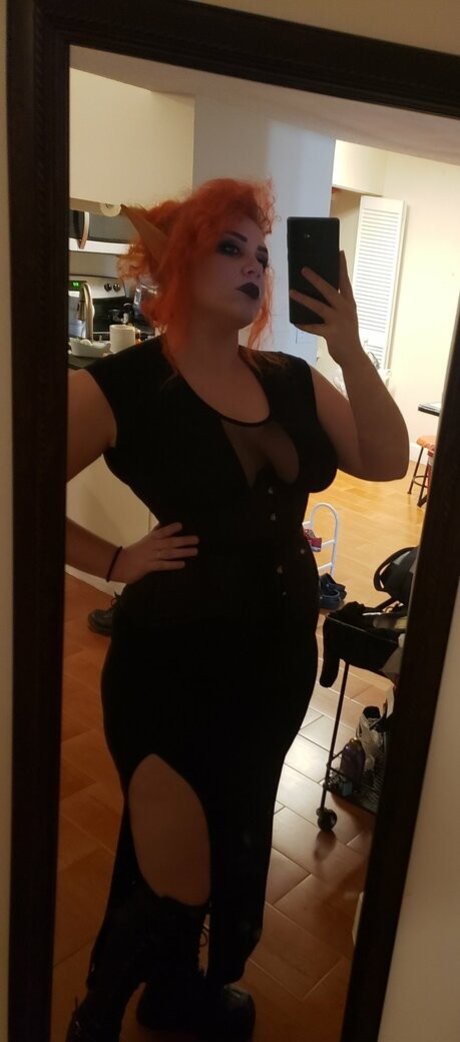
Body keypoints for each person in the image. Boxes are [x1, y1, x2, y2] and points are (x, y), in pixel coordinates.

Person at [65, 177, 409, 1042]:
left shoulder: (292, 380)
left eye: (261, 252)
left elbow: (384, 457)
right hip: (171, 667)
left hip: (277, 665)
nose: (255, 265)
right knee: (173, 874)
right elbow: (13, 482)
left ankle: (177, 996)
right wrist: (114, 561)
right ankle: (96, 1014)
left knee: (226, 838)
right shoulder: (123, 386)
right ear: (178, 263)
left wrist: (349, 347)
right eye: (231, 248)